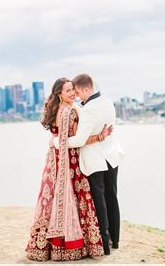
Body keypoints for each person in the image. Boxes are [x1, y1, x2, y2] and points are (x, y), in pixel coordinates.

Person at [25, 77, 113, 261]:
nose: (72, 93)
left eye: (73, 89)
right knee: (74, 196)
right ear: (59, 94)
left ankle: (45, 246)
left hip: (54, 160)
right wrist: (100, 137)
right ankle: (69, 245)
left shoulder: (54, 109)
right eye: (68, 91)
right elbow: (75, 141)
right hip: (69, 160)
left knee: (51, 198)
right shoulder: (70, 111)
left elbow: (59, 140)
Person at [52, 74, 124, 255]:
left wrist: (56, 142)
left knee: (99, 201)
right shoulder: (107, 101)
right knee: (112, 197)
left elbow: (78, 140)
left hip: (95, 160)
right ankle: (115, 240)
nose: (76, 95)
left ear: (85, 89)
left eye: (77, 91)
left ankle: (105, 244)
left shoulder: (89, 109)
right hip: (111, 156)